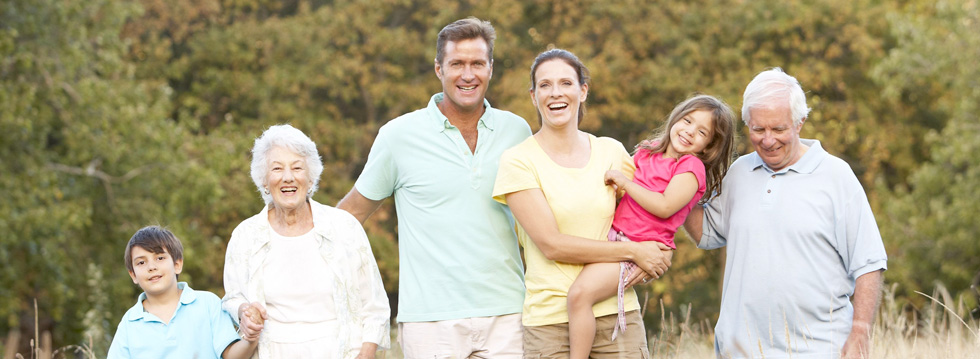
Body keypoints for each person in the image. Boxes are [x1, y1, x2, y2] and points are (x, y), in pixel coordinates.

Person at [336, 17, 531, 358]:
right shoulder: (398, 136)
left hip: (508, 315)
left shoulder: (517, 131)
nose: (467, 75)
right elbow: (348, 216)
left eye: (477, 64)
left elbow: (539, 220)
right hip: (430, 322)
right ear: (439, 69)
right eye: (457, 64)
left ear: (491, 68)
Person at [682, 68, 888, 359]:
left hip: (818, 350)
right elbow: (705, 232)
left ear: (800, 122)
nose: (768, 140)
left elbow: (869, 262)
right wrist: (674, 177)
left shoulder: (836, 176)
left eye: (778, 129)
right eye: (758, 130)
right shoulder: (739, 172)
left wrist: (860, 332)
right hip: (740, 351)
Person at [492, 48, 674, 359]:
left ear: (583, 91)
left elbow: (651, 213)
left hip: (617, 314)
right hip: (550, 322)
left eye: (566, 83)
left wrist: (661, 252)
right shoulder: (518, 161)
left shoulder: (611, 152)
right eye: (545, 85)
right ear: (534, 97)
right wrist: (634, 252)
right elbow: (552, 245)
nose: (556, 93)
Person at [567, 94, 738, 359]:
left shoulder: (691, 167)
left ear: (708, 147)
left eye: (702, 132)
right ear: (676, 118)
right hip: (613, 237)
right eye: (687, 121)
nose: (690, 131)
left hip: (637, 250)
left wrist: (625, 183)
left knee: (579, 295)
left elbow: (665, 206)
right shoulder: (648, 151)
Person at [222, 124, 390, 359]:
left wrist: (367, 353)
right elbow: (233, 297)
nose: (288, 177)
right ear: (264, 180)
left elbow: (374, 306)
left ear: (310, 179)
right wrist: (244, 312)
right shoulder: (245, 236)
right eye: (277, 168)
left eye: (297, 168)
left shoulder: (344, 227)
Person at [108, 226, 258, 359]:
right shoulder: (129, 323)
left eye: (159, 258)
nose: (151, 267)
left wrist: (251, 339)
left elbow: (231, 355)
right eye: (141, 262)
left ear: (177, 264)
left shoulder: (208, 304)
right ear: (133, 275)